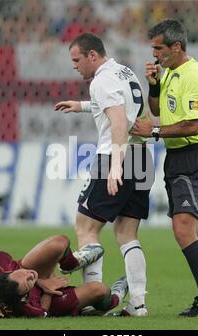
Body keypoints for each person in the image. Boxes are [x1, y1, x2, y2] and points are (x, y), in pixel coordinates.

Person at [55, 33, 154, 316]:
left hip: (116, 155)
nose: (74, 66)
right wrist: (83, 105)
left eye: (77, 60)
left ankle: (91, 298)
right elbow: (131, 109)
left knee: (86, 227)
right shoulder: (123, 71)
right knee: (126, 234)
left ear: (92, 56)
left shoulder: (101, 80)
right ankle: (137, 303)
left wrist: (114, 166)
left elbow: (119, 121)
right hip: (141, 157)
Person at [130, 19, 198, 317]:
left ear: (176, 46)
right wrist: (154, 84)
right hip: (176, 158)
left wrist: (153, 132)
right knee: (188, 230)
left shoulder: (193, 76)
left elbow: (193, 125)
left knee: (183, 229)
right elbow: (157, 110)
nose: (154, 54)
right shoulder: (170, 71)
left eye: (159, 48)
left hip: (193, 157)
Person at [0, 234, 127, 318]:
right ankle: (114, 299)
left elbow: (23, 270)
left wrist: (39, 281)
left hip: (36, 278)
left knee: (59, 242)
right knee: (99, 291)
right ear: (24, 297)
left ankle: (72, 264)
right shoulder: (27, 308)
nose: (29, 275)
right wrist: (48, 290)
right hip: (50, 300)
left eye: (20, 274)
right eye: (28, 282)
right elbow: (44, 313)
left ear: (7, 272)